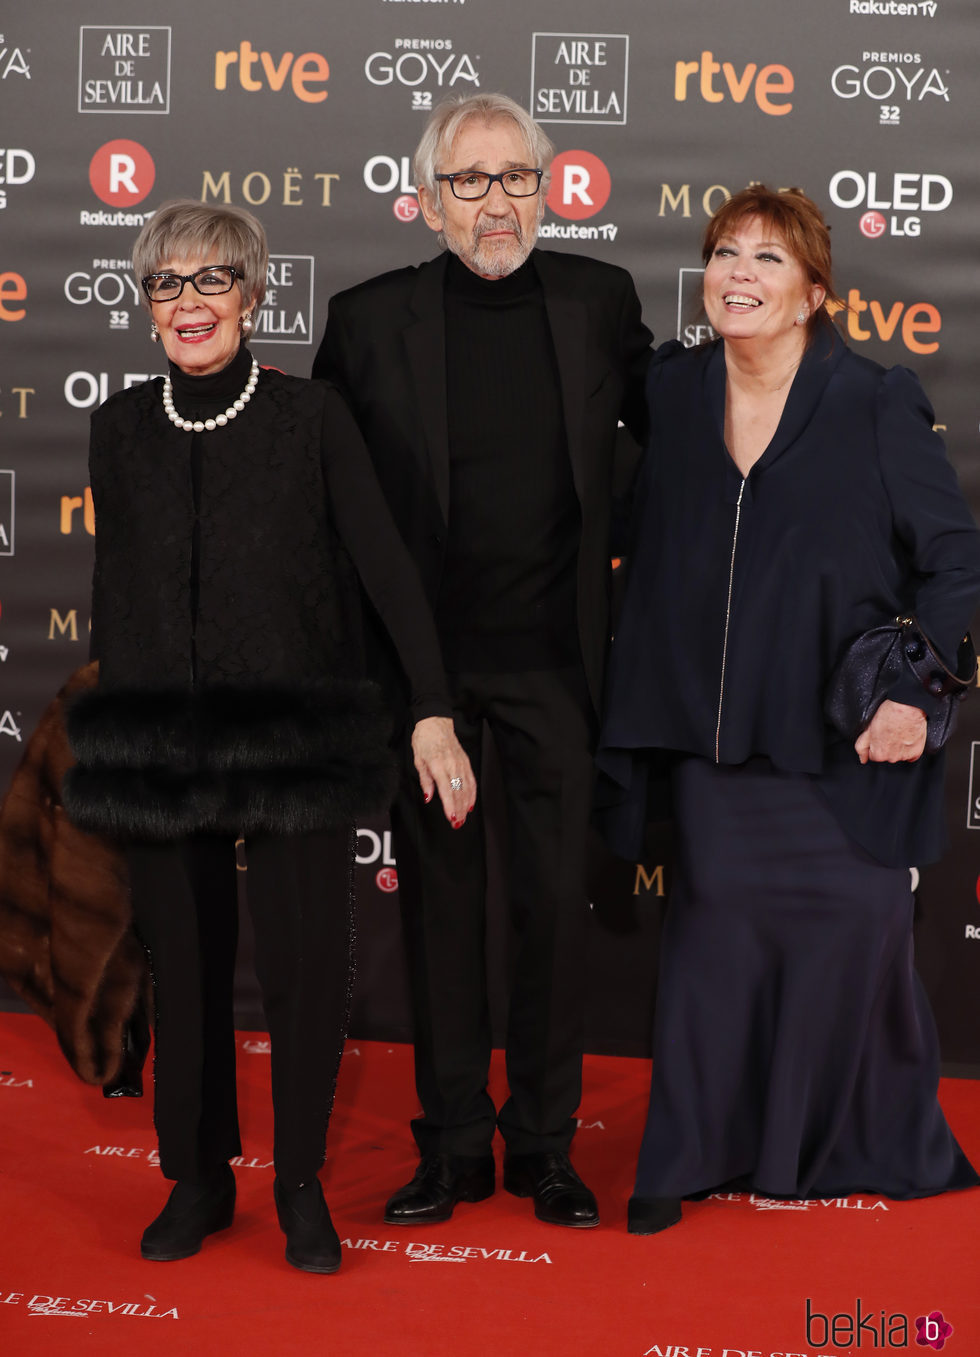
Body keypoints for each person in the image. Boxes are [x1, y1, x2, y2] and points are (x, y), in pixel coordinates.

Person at [62, 200, 476, 1273]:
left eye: (211, 282)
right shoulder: (118, 424)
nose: (188, 304)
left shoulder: (312, 420)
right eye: (167, 284)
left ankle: (298, 1184)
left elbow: (386, 571)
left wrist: (429, 705)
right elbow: (119, 587)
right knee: (184, 966)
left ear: (251, 296)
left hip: (295, 729)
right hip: (161, 736)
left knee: (303, 967)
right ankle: (196, 1177)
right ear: (145, 304)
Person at [596, 186, 980, 1234]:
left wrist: (920, 688)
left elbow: (956, 565)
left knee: (844, 946)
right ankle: (695, 1151)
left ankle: (838, 1145)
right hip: (714, 752)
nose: (739, 274)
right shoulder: (671, 392)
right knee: (714, 951)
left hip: (841, 746)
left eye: (768, 260)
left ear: (813, 294)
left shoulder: (871, 398)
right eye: (723, 253)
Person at [312, 93, 652, 1229]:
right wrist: (409, 695)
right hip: (429, 682)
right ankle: (453, 1145)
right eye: (470, 180)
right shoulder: (366, 324)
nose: (495, 200)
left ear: (546, 187)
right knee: (442, 915)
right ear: (427, 197)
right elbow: (336, 517)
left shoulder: (599, 303)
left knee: (553, 914)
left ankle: (544, 1148)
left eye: (516, 177)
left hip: (559, 668)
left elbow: (667, 449)